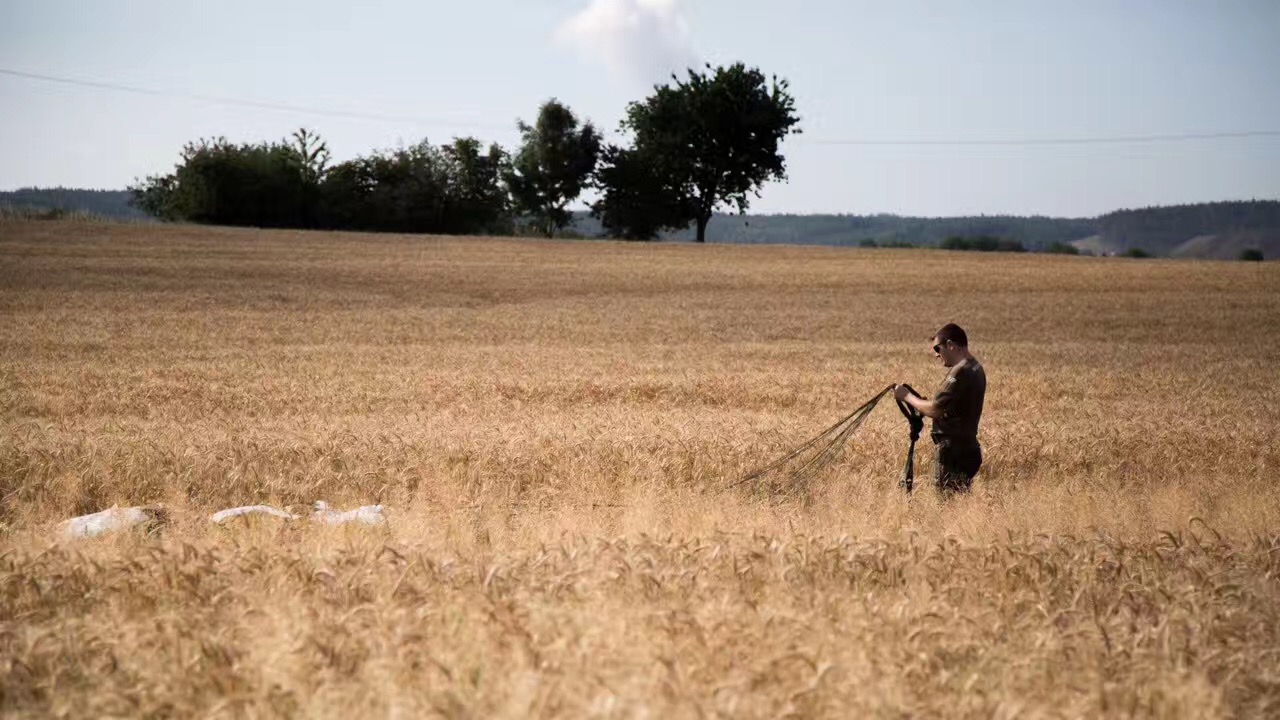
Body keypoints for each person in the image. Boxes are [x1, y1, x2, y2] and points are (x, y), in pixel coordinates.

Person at [894, 323, 986, 494]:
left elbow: (936, 409)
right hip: (969, 448)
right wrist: (922, 404)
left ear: (950, 345)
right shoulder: (976, 367)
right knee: (959, 505)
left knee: (945, 509)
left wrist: (906, 396)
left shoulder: (960, 371)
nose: (937, 355)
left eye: (938, 348)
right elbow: (950, 406)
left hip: (952, 453)